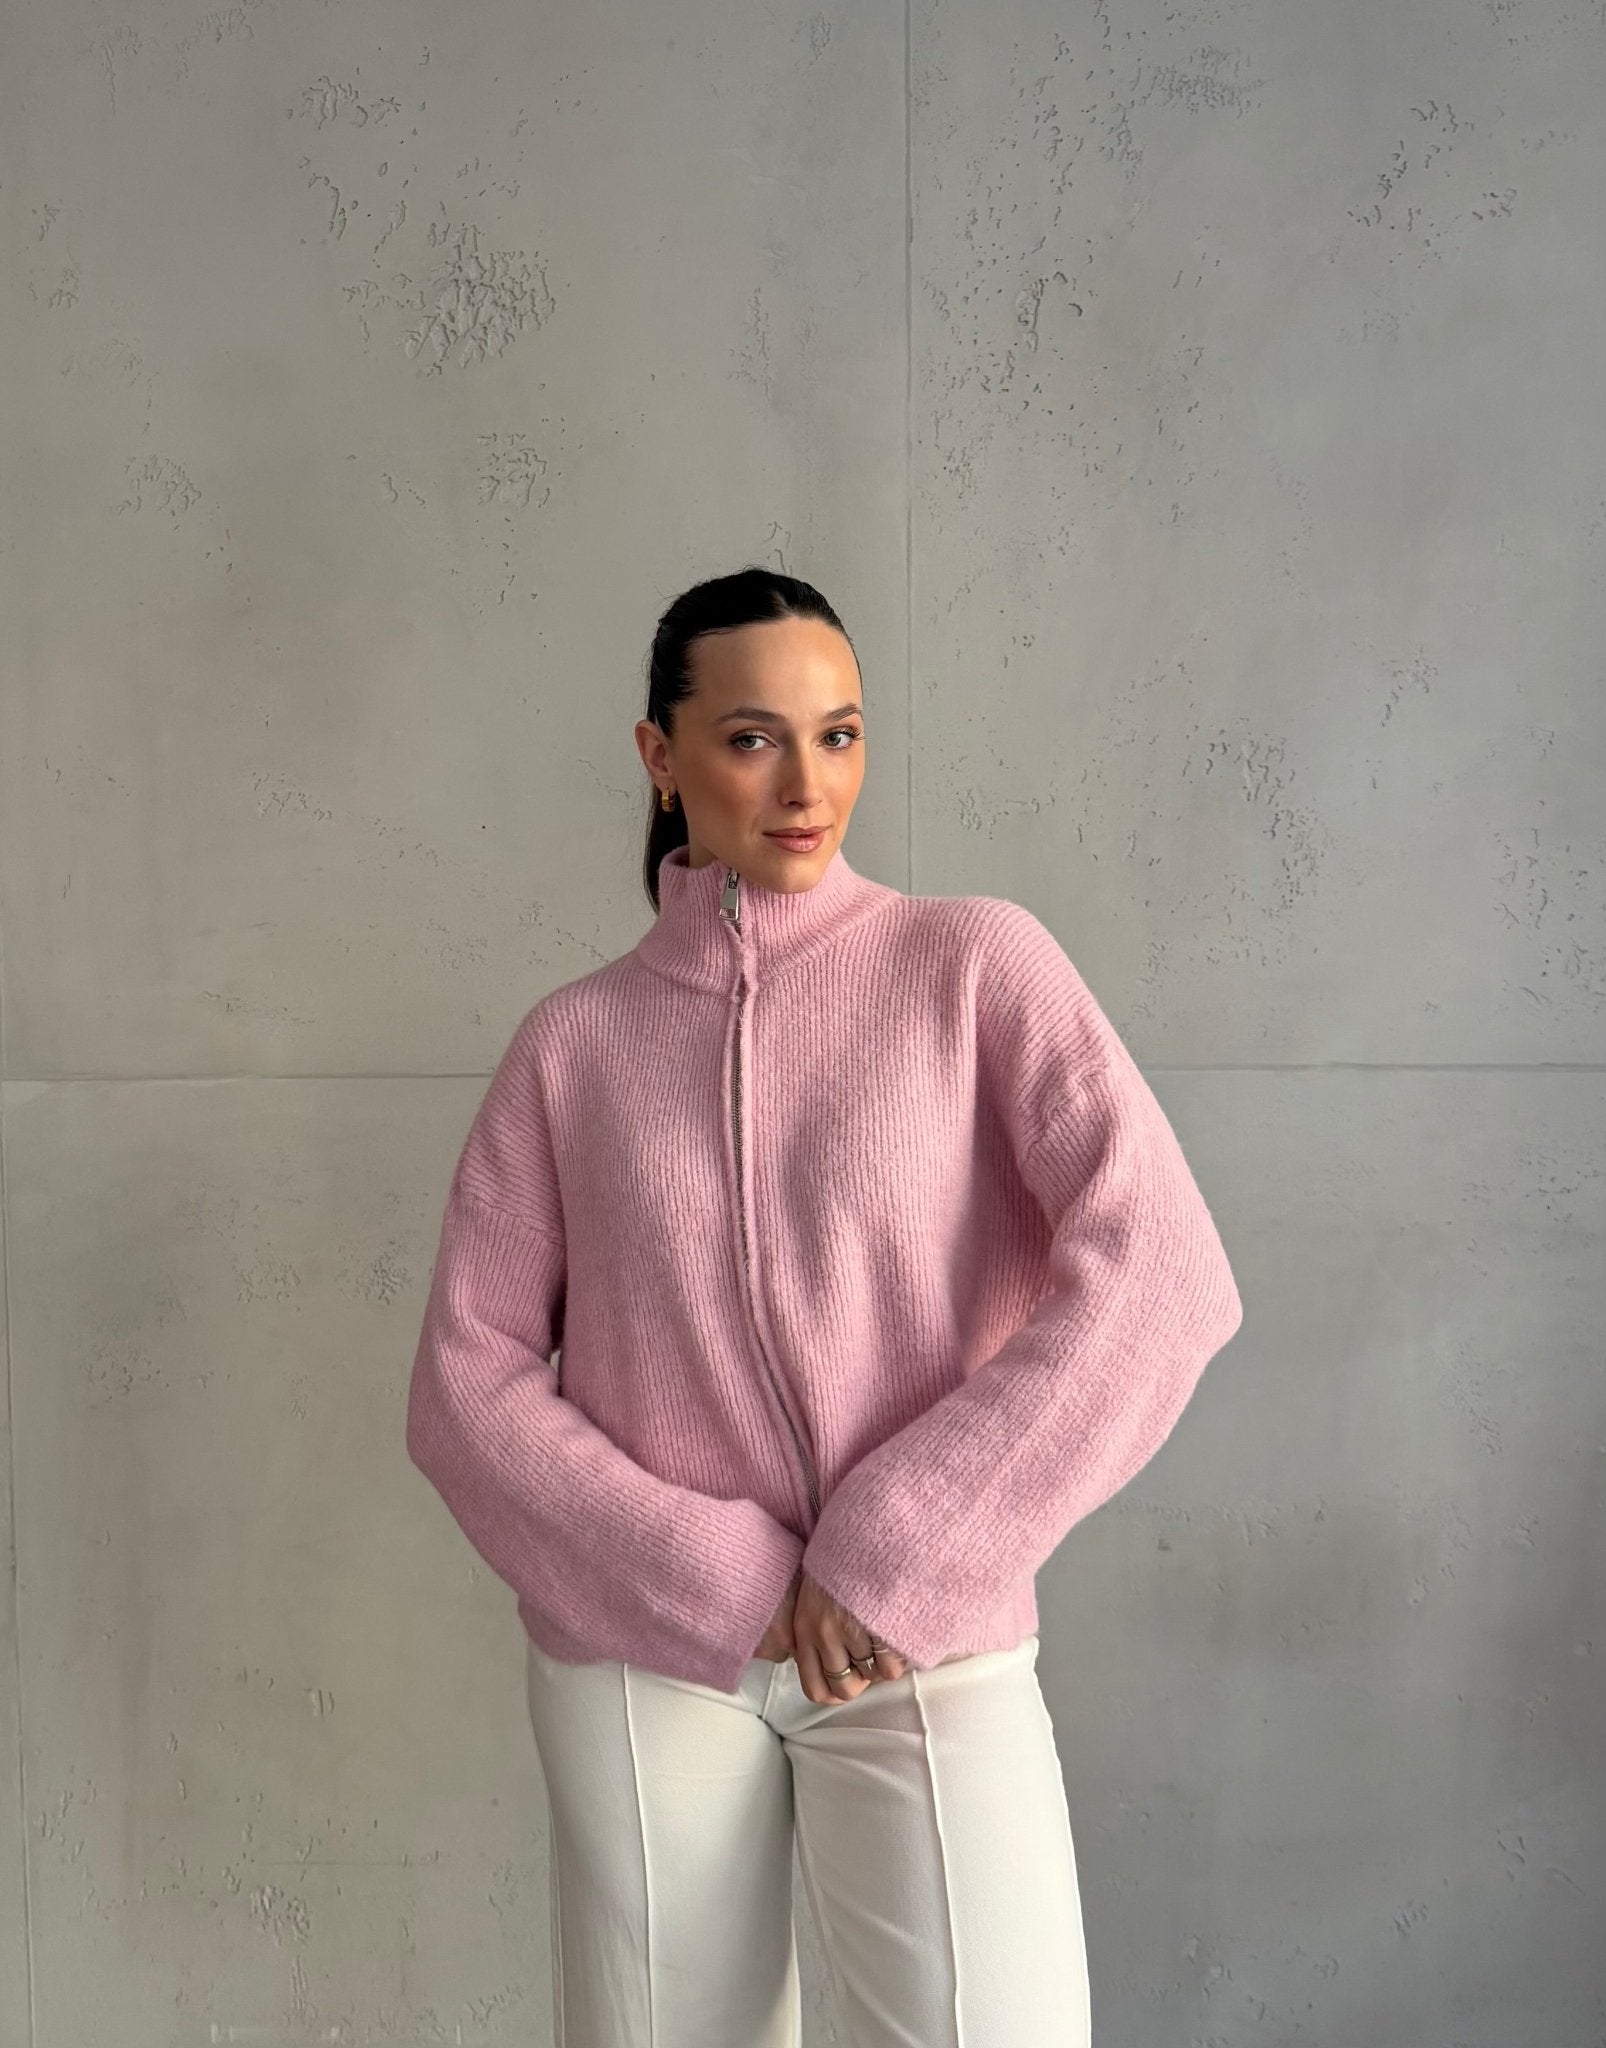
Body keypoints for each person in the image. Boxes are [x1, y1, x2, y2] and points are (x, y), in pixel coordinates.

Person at [406, 565, 1245, 2047]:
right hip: (650, 1646)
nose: (808, 786)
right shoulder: (572, 1048)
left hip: (919, 1630)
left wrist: (899, 1541)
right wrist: (714, 1571)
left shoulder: (972, 966)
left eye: (840, 734)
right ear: (660, 754)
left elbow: (1161, 1273)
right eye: (752, 739)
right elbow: (463, 1389)